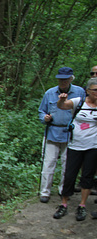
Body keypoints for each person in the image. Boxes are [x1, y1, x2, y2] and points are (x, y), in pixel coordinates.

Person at [37, 67, 86, 203]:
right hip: (52, 132)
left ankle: (63, 190)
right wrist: (45, 118)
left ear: (71, 79)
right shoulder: (50, 93)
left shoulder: (79, 92)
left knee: (67, 164)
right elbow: (41, 111)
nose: (62, 82)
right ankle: (44, 192)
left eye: (65, 79)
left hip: (71, 134)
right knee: (48, 163)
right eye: (60, 79)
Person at [52, 78, 97, 221]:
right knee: (69, 175)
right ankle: (63, 204)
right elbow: (63, 106)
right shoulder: (79, 102)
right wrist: (61, 100)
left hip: (93, 146)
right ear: (88, 91)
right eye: (95, 90)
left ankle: (82, 205)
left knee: (87, 176)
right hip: (75, 145)